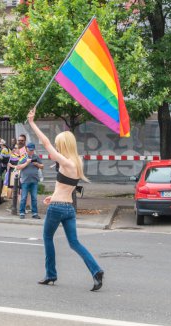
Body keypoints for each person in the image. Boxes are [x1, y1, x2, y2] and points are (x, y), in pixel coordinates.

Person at [27, 108, 104, 291]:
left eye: (58, 144)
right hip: (69, 208)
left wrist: (31, 122)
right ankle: (96, 270)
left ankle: (51, 274)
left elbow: (45, 143)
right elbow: (65, 187)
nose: (56, 146)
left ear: (64, 145)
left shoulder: (66, 162)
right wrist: (52, 196)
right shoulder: (77, 162)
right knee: (74, 243)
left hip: (57, 208)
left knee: (47, 237)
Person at [17, 142, 43, 220]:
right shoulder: (23, 157)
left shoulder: (36, 157)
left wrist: (37, 164)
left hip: (34, 180)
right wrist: (27, 163)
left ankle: (34, 213)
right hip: (25, 180)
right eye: (29, 150)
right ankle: (22, 212)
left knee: (34, 198)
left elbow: (42, 166)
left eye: (32, 150)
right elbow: (18, 167)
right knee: (24, 197)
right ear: (26, 149)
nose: (31, 151)